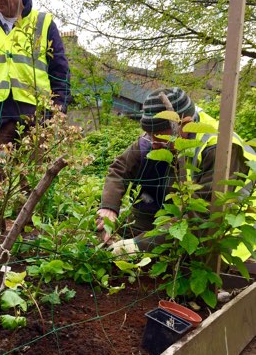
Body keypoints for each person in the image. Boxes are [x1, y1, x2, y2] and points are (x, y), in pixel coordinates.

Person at [96, 87, 255, 254]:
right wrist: (109, 208)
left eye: (159, 137)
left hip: (227, 240)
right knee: (112, 232)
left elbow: (203, 216)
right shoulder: (155, 136)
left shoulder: (220, 148)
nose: (153, 143)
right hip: (170, 218)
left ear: (184, 126)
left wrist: (140, 245)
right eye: (149, 135)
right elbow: (120, 168)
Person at [0, 0, 71, 160]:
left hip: (34, 115)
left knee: (32, 181)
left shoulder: (43, 23)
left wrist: (60, 106)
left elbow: (60, 70)